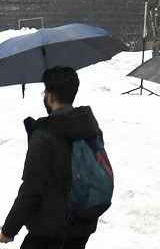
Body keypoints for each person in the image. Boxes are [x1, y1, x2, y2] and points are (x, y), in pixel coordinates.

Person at [1, 66, 106, 249]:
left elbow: (32, 189)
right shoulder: (89, 128)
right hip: (80, 227)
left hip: (48, 232)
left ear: (50, 96)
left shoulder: (44, 136)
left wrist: (8, 230)